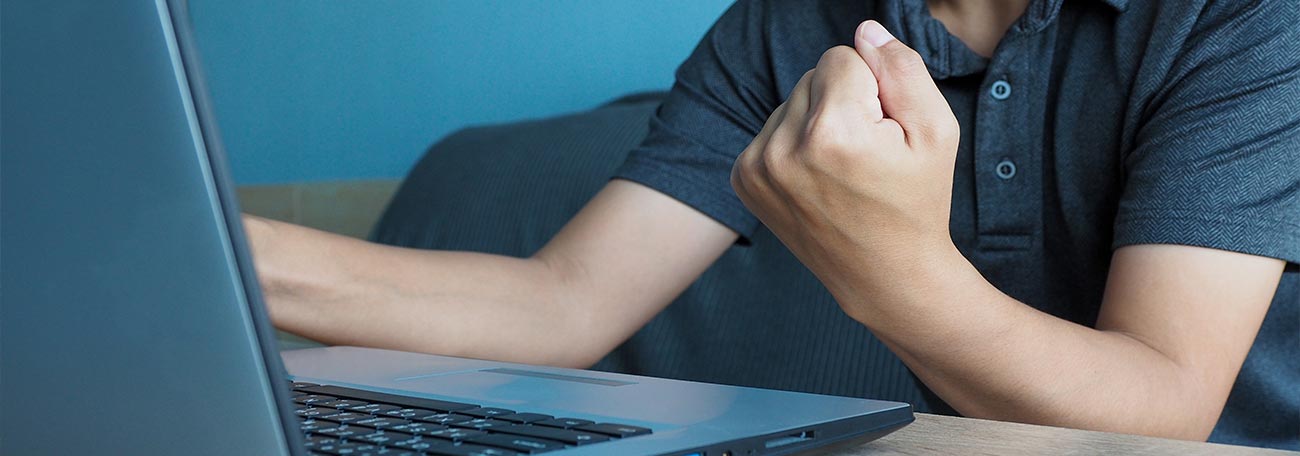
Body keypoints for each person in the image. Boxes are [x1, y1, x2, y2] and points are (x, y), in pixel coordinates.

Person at [243, 0, 1300, 449]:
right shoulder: (786, 20)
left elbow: (1161, 411)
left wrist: (885, 267)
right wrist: (219, 256)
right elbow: (561, 303)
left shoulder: (1245, 19)